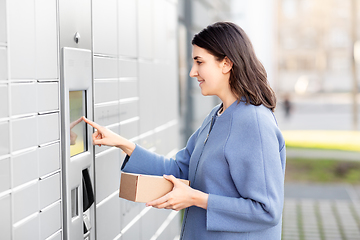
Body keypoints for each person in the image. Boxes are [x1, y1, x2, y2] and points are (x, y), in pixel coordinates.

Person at [83, 22, 286, 240]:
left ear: (226, 63)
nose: (192, 72)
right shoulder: (216, 116)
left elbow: (267, 210)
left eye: (199, 62)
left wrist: (197, 199)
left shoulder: (254, 124)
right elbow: (180, 169)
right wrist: (123, 144)